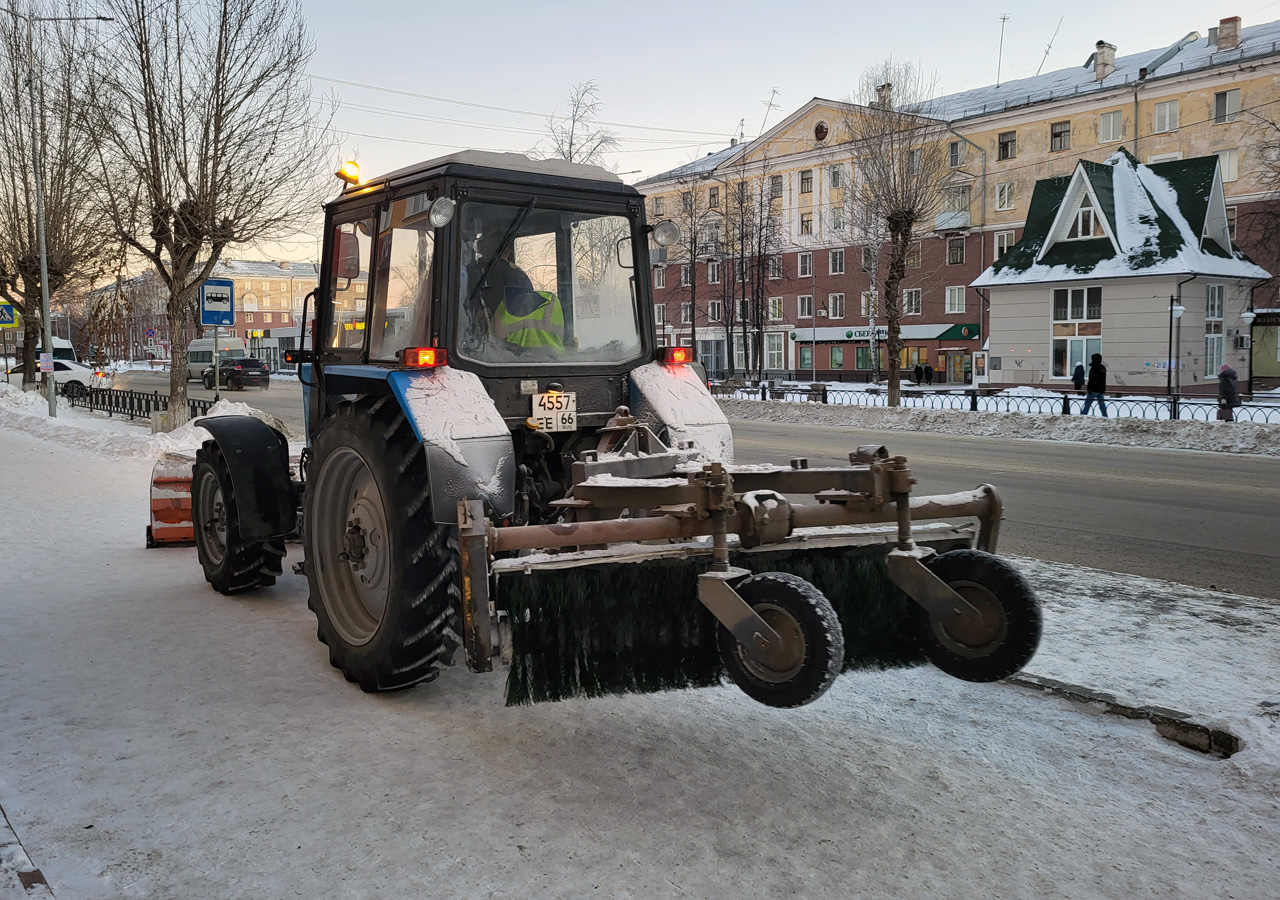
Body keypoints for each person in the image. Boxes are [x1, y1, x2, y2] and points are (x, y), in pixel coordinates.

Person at [468, 230, 564, 351]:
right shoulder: (520, 276)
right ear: (507, 252)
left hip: (496, 350)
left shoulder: (469, 274)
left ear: (480, 249)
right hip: (538, 354)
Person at [1080, 353, 1108, 417]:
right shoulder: (1102, 368)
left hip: (1094, 389)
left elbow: (1093, 379)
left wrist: (1090, 388)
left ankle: (1083, 415)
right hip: (1101, 389)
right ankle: (1105, 416)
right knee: (1101, 403)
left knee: (1087, 403)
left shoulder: (1094, 368)